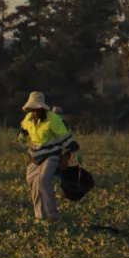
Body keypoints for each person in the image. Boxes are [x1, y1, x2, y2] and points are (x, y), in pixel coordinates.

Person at [17, 92, 81, 222]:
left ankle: (52, 213)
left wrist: (74, 152)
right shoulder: (28, 118)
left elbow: (65, 136)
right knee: (32, 180)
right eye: (32, 109)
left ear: (42, 108)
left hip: (52, 155)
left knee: (43, 179)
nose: (34, 112)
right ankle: (40, 216)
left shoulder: (53, 119)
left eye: (37, 109)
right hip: (36, 157)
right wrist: (22, 135)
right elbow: (23, 129)